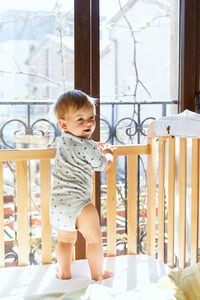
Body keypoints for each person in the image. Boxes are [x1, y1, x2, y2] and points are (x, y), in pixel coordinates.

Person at [49, 89, 117, 281]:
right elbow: (102, 164)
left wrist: (95, 146)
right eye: (80, 119)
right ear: (64, 123)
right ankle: (98, 274)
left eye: (91, 117)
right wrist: (109, 152)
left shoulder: (63, 141)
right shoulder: (87, 146)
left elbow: (80, 149)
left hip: (58, 204)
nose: (88, 123)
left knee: (64, 240)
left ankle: (63, 273)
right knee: (94, 241)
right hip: (81, 205)